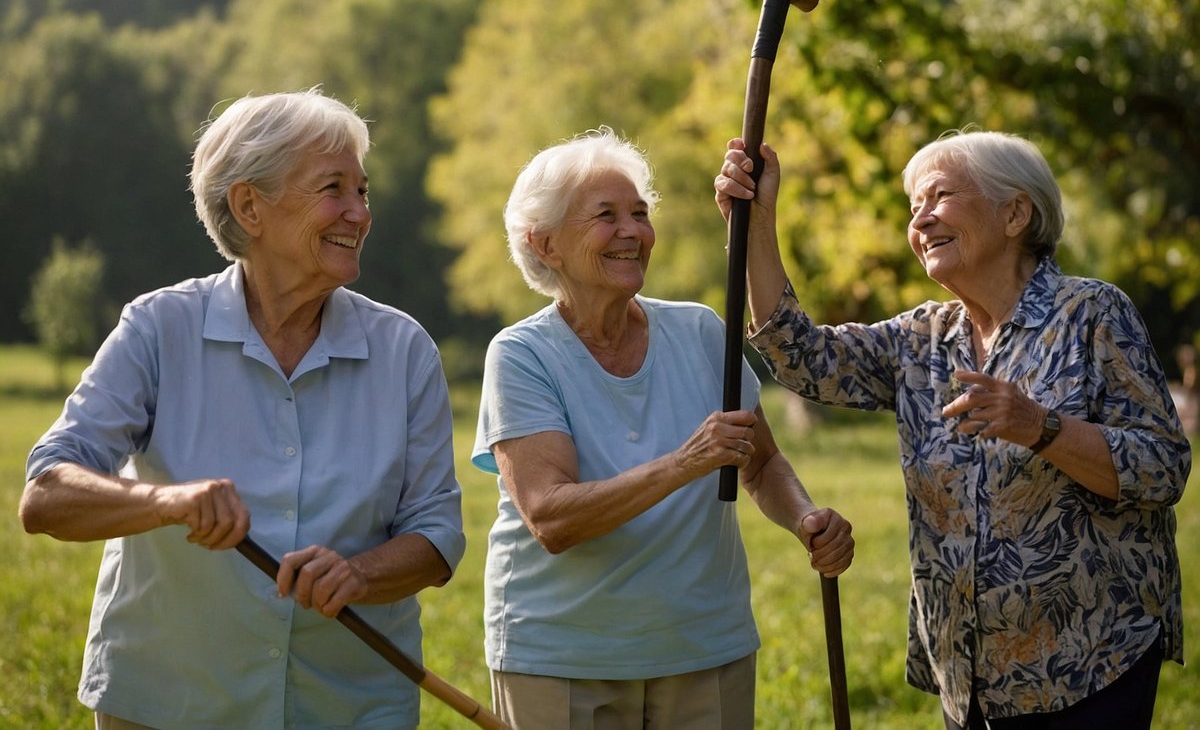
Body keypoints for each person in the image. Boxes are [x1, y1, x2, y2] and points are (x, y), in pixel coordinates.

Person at [714, 127, 1191, 729]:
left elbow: (1163, 468)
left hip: (1089, 665)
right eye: (914, 207)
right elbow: (802, 357)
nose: (921, 220)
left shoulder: (1092, 314)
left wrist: (1040, 427)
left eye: (940, 196)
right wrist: (757, 224)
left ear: (1015, 213)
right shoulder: (924, 337)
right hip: (967, 674)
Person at [18, 89, 466, 729]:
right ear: (250, 206)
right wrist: (165, 501)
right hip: (170, 702)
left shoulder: (404, 350)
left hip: (348, 707)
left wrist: (359, 575)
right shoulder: (159, 328)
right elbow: (46, 495)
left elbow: (437, 534)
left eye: (363, 191)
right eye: (333, 188)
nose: (360, 213)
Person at [472, 128, 855, 730]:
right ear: (544, 244)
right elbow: (551, 517)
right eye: (606, 216)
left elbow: (760, 463)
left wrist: (806, 519)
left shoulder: (700, 332)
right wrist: (685, 462)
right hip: (563, 655)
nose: (633, 231)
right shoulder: (521, 355)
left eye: (640, 214)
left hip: (704, 644)